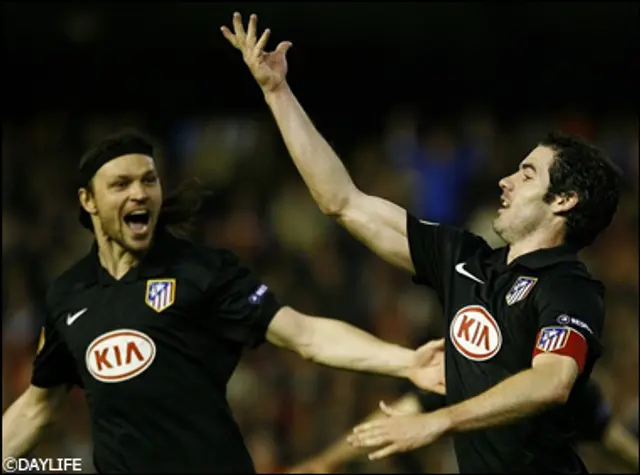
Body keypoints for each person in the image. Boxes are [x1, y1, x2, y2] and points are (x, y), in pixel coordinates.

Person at [222, 12, 622, 473]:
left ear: (565, 200)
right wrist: (277, 92)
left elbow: (552, 380)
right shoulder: (464, 259)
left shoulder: (570, 289)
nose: (506, 180)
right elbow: (343, 202)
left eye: (527, 173)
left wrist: (439, 422)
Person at [1, 130, 447, 474]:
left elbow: (304, 334)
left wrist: (405, 362)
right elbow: (38, 407)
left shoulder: (202, 271)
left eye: (148, 180)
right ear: (88, 201)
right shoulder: (68, 295)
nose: (139, 193)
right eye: (120, 184)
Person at [286, 378, 639, 472]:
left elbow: (611, 439)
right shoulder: (470, 371)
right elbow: (397, 415)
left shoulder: (570, 383)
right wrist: (328, 460)